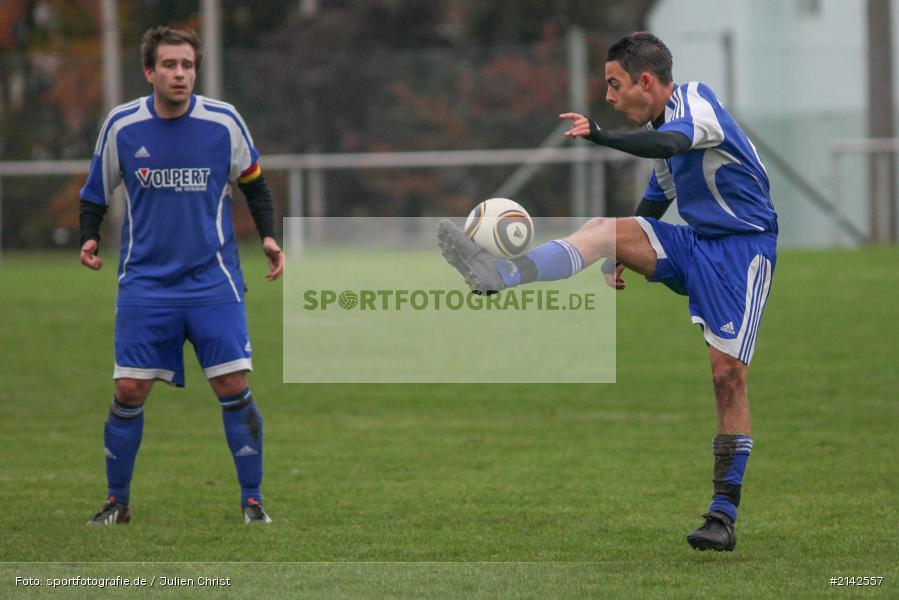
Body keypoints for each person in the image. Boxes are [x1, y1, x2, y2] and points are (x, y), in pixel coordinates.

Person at [438, 31, 777, 551]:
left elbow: (668, 146)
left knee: (727, 377)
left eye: (615, 85)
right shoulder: (663, 125)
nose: (610, 98)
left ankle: (722, 516)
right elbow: (657, 195)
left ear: (646, 80)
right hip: (695, 245)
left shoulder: (698, 106)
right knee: (601, 230)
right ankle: (499, 275)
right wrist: (620, 252)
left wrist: (601, 134)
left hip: (742, 251)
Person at [79, 26, 284, 525]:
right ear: (150, 72)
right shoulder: (123, 125)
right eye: (169, 65)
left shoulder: (224, 122)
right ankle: (116, 503)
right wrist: (89, 235)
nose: (179, 74)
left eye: (187, 65)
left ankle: (252, 502)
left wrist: (269, 238)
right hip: (145, 283)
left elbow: (254, 185)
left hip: (213, 280)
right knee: (129, 391)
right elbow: (95, 191)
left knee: (233, 383)